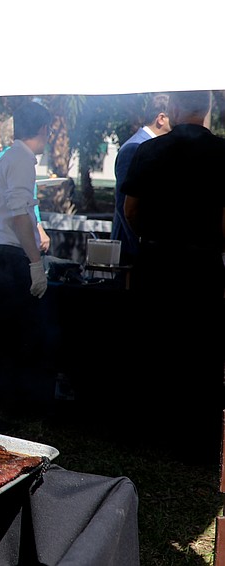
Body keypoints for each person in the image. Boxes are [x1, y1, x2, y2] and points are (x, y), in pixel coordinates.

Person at [122, 89, 224, 464]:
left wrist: (153, 237)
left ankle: (149, 432)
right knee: (200, 350)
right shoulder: (222, 153)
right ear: (207, 109)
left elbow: (131, 209)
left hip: (157, 261)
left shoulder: (150, 151)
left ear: (175, 109)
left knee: (153, 342)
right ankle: (196, 440)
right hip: (203, 265)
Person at [0, 100, 55, 428]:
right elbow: (21, 214)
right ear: (45, 130)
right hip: (9, 260)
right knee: (11, 341)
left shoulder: (6, 156)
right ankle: (1, 415)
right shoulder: (21, 159)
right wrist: (35, 262)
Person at [111, 93, 170, 265]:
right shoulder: (134, 147)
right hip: (132, 251)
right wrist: (140, 244)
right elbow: (124, 204)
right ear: (161, 119)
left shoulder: (147, 146)